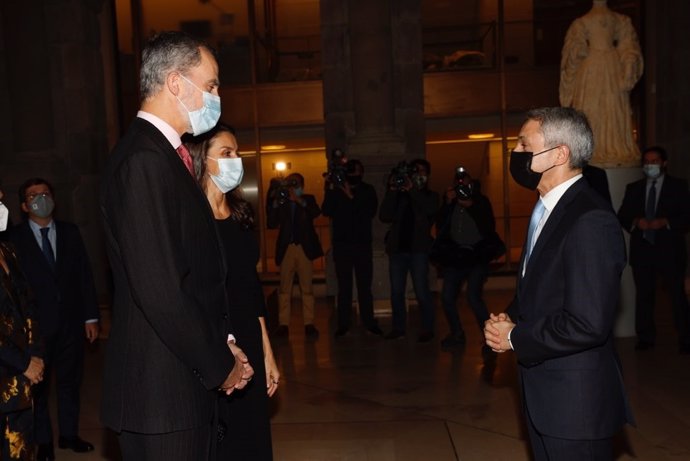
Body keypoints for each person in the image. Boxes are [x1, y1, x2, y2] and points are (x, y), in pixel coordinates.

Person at [100, 31, 253, 460]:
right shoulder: (143, 161)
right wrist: (220, 367)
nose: (216, 95)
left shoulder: (168, 157)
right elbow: (161, 290)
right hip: (161, 396)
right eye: (210, 85)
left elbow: (194, 273)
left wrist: (222, 344)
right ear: (174, 83)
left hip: (181, 385)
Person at [484, 107, 633, 460]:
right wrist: (508, 319)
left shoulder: (589, 219)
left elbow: (587, 323)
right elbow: (540, 287)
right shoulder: (549, 209)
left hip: (575, 405)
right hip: (546, 394)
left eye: (524, 143)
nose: (516, 152)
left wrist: (514, 337)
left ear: (559, 154)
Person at [186, 123, 278, 460]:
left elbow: (251, 288)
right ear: (202, 160)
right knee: (222, 441)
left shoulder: (240, 214)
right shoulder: (191, 220)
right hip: (213, 343)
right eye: (226, 153)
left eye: (237, 153)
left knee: (253, 435)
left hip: (249, 337)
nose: (235, 160)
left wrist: (267, 351)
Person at [9, 178, 99, 460]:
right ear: (24, 206)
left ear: (54, 199)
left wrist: (91, 317)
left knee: (70, 382)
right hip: (35, 328)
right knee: (39, 388)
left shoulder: (71, 233)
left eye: (45, 193)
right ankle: (44, 442)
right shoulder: (15, 239)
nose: (40, 198)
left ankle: (69, 435)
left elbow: (85, 276)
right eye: (33, 195)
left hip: (71, 323)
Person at [617, 146, 690, 354]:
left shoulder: (678, 186)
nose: (651, 165)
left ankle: (685, 338)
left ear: (664, 163)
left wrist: (665, 222)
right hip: (643, 251)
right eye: (647, 162)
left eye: (655, 161)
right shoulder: (634, 188)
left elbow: (686, 216)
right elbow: (622, 215)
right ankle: (645, 337)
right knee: (644, 296)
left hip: (670, 250)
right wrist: (636, 222)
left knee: (677, 296)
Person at [559, 0, 643, 167]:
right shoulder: (581, 23)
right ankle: (591, 149)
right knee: (590, 109)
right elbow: (572, 50)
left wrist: (628, 64)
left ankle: (614, 147)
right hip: (590, 71)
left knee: (613, 108)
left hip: (612, 69)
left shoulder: (620, 20)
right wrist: (578, 50)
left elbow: (629, 45)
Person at [0, 189, 44, 461]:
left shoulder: (8, 249)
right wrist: (24, 363)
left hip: (21, 384)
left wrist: (35, 355)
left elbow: (28, 305)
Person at [433, 168, 499, 348]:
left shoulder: (481, 201)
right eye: (459, 183)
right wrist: (447, 203)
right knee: (446, 297)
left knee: (473, 297)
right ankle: (457, 334)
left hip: (477, 256)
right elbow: (440, 225)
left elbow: (488, 226)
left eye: (466, 183)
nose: (462, 187)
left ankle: (490, 338)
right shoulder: (451, 203)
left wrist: (471, 205)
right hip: (456, 256)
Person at [379, 159, 439, 342]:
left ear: (427, 175)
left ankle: (427, 328)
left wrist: (412, 189)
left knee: (422, 291)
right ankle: (398, 328)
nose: (418, 174)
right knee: (397, 292)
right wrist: (392, 190)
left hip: (418, 250)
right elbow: (384, 216)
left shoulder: (430, 195)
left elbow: (429, 210)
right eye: (415, 171)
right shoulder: (400, 195)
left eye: (422, 171)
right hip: (398, 250)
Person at [322, 158, 382, 338]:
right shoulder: (336, 190)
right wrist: (330, 189)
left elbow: (369, 213)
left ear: (361, 172)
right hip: (342, 245)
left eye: (354, 171)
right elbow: (326, 210)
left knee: (365, 287)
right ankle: (343, 325)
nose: (352, 174)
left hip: (362, 244)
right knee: (344, 287)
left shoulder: (367, 190)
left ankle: (369, 322)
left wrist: (350, 196)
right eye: (349, 171)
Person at [266, 172, 323, 339]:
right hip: (287, 249)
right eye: (290, 183)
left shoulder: (308, 198)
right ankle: (283, 324)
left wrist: (298, 199)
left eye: (296, 183)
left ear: (302, 185)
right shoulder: (282, 201)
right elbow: (271, 223)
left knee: (307, 288)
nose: (293, 186)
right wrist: (276, 203)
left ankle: (309, 324)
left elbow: (315, 212)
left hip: (304, 248)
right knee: (284, 289)